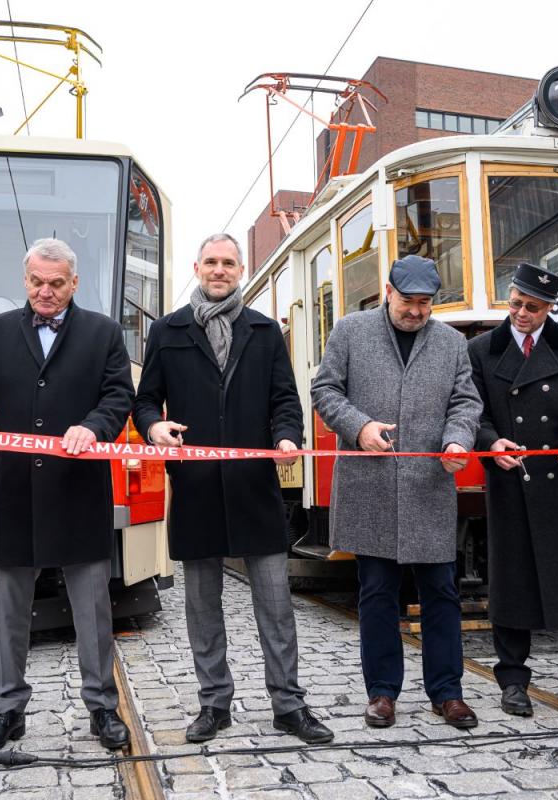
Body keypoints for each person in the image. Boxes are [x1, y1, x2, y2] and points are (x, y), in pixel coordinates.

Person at [133, 233, 333, 745]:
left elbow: (286, 399)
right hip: (196, 488)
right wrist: (154, 427)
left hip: (254, 488)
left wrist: (289, 434)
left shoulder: (264, 331)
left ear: (240, 269)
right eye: (211, 262)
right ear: (197, 267)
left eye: (228, 263)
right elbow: (145, 401)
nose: (219, 270)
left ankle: (289, 705)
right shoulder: (168, 331)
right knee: (202, 607)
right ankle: (213, 704)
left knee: (275, 603)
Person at [0, 237, 135, 754]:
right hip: (13, 493)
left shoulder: (104, 333)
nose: (45, 292)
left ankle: (102, 708)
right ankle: (7, 711)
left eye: (56, 284)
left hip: (78, 491)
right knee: (7, 611)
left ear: (74, 282)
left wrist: (94, 427)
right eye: (36, 282)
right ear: (23, 279)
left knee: (93, 611)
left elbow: (119, 396)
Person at [311, 255, 482, 730]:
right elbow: (325, 389)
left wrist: (457, 439)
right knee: (377, 591)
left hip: (428, 486)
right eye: (408, 302)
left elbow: (466, 402)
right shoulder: (350, 330)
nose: (416, 312)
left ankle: (447, 693)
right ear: (388, 292)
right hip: (372, 487)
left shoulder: (451, 342)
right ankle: (382, 693)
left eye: (426, 304)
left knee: (442, 593)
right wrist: (359, 426)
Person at [467, 263, 558, 720]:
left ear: (550, 308)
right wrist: (491, 444)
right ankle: (512, 680)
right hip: (512, 480)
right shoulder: (481, 349)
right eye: (515, 304)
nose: (521, 314)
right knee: (513, 584)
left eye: (532, 307)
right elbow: (473, 410)